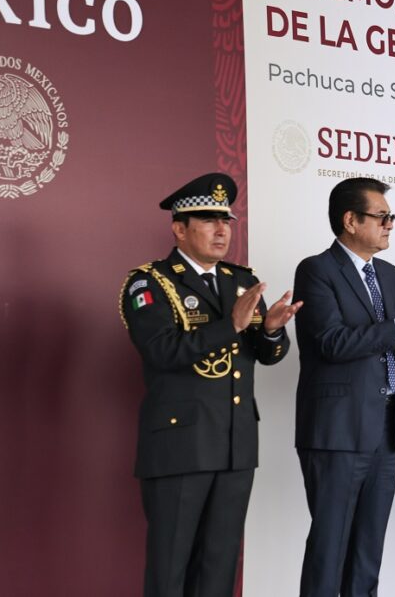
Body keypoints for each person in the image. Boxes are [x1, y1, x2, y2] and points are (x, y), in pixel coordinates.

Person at [119, 172, 299, 597]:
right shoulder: (151, 282)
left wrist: (271, 331)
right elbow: (162, 351)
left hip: (235, 443)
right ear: (179, 229)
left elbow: (265, 355)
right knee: (171, 570)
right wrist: (230, 325)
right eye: (207, 219)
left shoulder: (239, 279)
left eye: (227, 220)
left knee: (219, 568)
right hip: (182, 444)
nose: (222, 230)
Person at [293, 177, 395, 597]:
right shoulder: (317, 270)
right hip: (338, 432)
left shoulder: (391, 275)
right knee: (330, 547)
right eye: (382, 216)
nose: (390, 224)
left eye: (390, 216)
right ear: (350, 221)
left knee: (368, 550)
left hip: (388, 431)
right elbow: (330, 342)